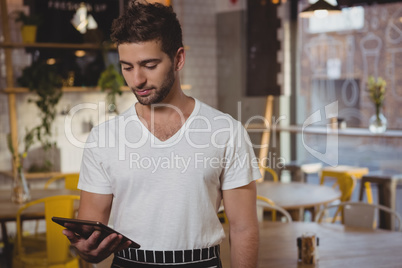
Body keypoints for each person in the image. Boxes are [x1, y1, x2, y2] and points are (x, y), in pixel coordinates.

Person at [63, 0, 261, 267]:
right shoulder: (104, 137)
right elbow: (91, 227)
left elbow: (243, 229)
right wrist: (87, 250)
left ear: (178, 58)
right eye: (127, 67)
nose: (137, 80)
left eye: (149, 64)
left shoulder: (226, 131)